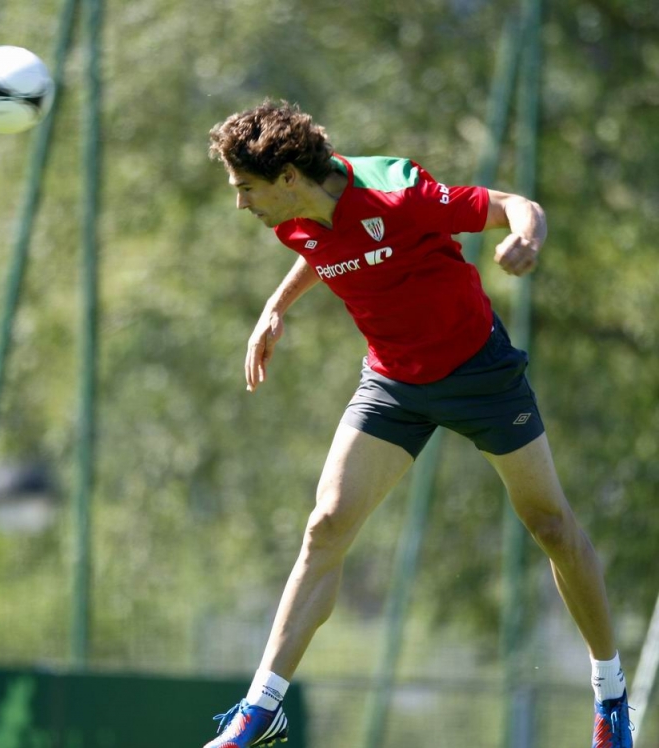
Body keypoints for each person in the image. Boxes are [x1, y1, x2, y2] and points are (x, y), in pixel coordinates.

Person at [202, 100, 632, 748]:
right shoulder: (288, 219)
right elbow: (326, 247)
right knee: (325, 527)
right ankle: (260, 712)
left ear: (288, 176)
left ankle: (612, 698)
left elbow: (515, 203)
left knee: (550, 526)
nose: (241, 204)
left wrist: (527, 238)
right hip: (394, 383)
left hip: (479, 375)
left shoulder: (399, 193)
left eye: (245, 189)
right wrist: (274, 306)